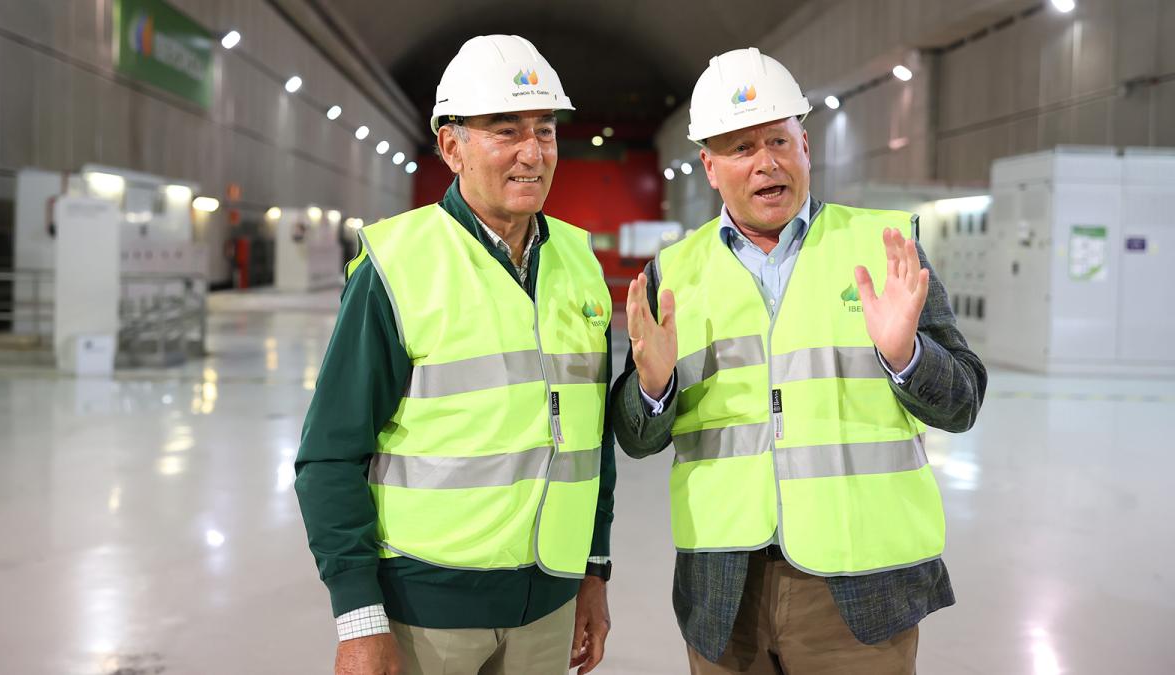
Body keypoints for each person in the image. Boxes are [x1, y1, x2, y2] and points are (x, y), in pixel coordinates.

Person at [611, 47, 987, 674]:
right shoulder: (671, 274)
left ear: (805, 146)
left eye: (778, 142)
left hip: (859, 588)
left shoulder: (885, 247)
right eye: (740, 149)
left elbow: (964, 401)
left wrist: (907, 356)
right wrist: (653, 387)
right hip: (724, 588)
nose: (765, 164)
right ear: (708, 165)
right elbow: (634, 435)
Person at [295, 34, 614, 675]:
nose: (533, 153)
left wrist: (592, 571)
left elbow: (589, 439)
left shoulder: (579, 265)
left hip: (549, 603)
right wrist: (358, 618)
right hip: (425, 612)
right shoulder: (397, 264)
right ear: (451, 148)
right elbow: (328, 455)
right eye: (505, 130)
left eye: (545, 130)